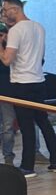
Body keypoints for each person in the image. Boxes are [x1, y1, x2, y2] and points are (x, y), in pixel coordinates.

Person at [0, 0, 56, 177]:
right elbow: (38, 56)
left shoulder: (16, 30)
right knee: (44, 122)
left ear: (15, 9)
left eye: (5, 10)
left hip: (21, 84)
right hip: (38, 81)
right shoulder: (39, 27)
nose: (4, 13)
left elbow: (7, 60)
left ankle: (27, 167)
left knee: (26, 126)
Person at [0, 22, 16, 165]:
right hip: (4, 93)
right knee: (7, 126)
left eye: (3, 34)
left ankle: (35, 152)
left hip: (20, 89)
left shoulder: (13, 47)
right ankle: (8, 156)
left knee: (31, 124)